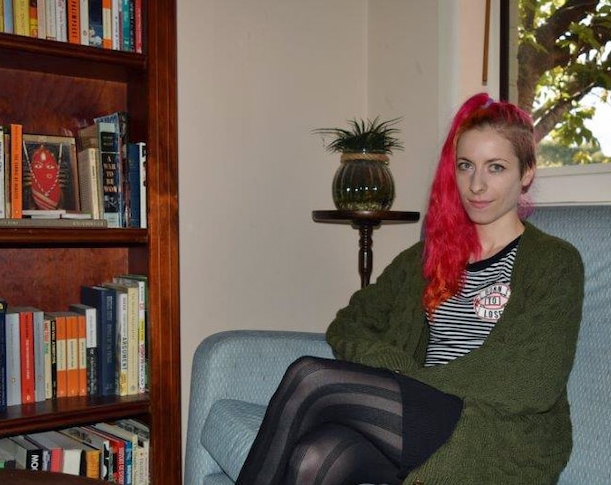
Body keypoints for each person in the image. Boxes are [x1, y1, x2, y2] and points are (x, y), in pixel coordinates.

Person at [236, 93, 585, 485]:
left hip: (495, 430)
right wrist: (401, 371)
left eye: (496, 168)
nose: (476, 184)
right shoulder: (429, 257)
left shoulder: (554, 263)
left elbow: (533, 382)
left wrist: (411, 381)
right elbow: (348, 325)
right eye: (466, 166)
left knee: (310, 378)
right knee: (314, 457)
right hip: (417, 416)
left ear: (527, 173)